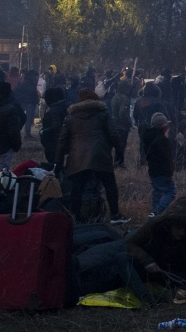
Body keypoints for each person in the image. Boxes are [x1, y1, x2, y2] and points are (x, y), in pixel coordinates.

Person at [59, 89, 128, 224]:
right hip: (100, 155)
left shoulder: (70, 117)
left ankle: (75, 217)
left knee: (77, 188)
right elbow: (113, 134)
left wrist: (58, 161)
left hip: (78, 157)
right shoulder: (103, 114)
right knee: (110, 185)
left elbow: (62, 141)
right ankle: (115, 215)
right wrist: (120, 152)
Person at [146, 113, 177, 217]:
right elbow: (167, 159)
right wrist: (170, 173)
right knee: (171, 191)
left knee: (157, 191)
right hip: (163, 172)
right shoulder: (163, 141)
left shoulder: (149, 138)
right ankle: (157, 212)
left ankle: (154, 212)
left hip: (153, 171)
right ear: (163, 127)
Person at [39, 87, 69, 168]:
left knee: (54, 163)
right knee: (58, 161)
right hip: (61, 140)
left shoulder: (54, 109)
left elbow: (56, 125)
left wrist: (44, 131)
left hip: (53, 140)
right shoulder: (63, 107)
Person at [109, 79, 133, 168]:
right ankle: (119, 163)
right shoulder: (124, 98)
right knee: (121, 144)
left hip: (114, 123)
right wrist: (128, 123)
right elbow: (122, 113)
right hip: (121, 125)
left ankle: (115, 162)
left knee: (115, 144)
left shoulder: (115, 97)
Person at [15, 69, 39, 138]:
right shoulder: (28, 83)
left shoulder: (26, 82)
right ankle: (27, 133)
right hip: (29, 102)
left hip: (28, 102)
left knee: (29, 118)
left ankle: (27, 132)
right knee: (28, 118)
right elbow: (31, 92)